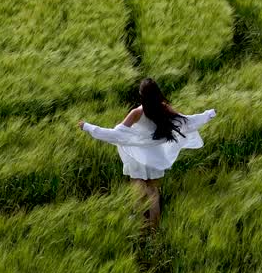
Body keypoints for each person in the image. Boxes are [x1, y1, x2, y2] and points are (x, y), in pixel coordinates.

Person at [77, 78, 217, 228]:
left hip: (137, 158)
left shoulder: (137, 112)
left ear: (141, 95)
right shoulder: (164, 108)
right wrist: (207, 115)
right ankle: (153, 228)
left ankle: (141, 225)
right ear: (157, 93)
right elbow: (186, 122)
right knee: (153, 193)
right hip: (155, 158)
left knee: (138, 191)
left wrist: (88, 127)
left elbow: (115, 134)